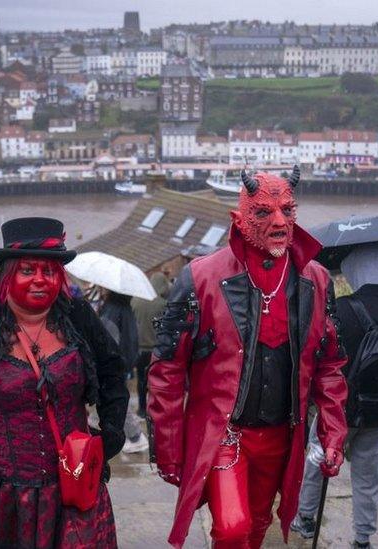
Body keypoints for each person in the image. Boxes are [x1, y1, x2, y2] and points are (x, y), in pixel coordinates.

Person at [148, 167, 349, 548]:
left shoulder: (317, 281)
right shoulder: (200, 278)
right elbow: (167, 369)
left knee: (258, 523)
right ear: (239, 219)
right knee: (232, 526)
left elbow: (329, 365)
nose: (278, 222)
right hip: (226, 431)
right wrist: (168, 447)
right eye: (263, 212)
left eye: (287, 211)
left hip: (281, 434)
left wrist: (333, 433)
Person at [0, 217, 129, 548]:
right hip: (3, 501)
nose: (40, 280)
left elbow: (113, 370)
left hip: (72, 487)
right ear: (8, 275)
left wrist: (111, 433)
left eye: (49, 271)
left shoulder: (78, 316)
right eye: (28, 270)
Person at [291, 243, 378, 547]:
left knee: (317, 459)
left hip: (339, 409)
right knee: (370, 476)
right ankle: (363, 536)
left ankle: (306, 517)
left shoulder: (343, 308)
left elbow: (322, 356)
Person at [97, 287, 149, 454]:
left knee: (117, 400)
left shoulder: (111, 310)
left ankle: (135, 436)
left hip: (112, 363)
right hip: (123, 361)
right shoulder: (126, 308)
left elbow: (106, 339)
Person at [131, 272, 170, 417]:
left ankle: (142, 409)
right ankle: (157, 410)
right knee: (158, 383)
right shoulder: (163, 304)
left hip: (140, 349)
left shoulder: (135, 301)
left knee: (141, 381)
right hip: (158, 350)